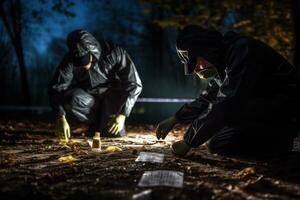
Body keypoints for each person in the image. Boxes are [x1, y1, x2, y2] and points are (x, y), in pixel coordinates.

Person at [156, 25, 300, 158]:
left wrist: (188, 141)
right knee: (219, 144)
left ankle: (279, 141)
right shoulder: (224, 62)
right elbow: (208, 97)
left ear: (205, 49)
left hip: (286, 107)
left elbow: (226, 102)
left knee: (228, 113)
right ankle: (273, 142)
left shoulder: (243, 51)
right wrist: (177, 118)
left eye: (195, 62)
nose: (197, 69)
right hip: (266, 107)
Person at [49, 29, 142, 141]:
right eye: (78, 63)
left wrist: (123, 114)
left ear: (92, 50)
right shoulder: (69, 60)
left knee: (112, 134)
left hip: (112, 97)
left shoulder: (114, 52)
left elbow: (134, 83)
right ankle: (94, 124)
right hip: (90, 97)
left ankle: (103, 123)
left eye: (85, 60)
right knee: (71, 98)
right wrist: (60, 117)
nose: (84, 67)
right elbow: (57, 88)